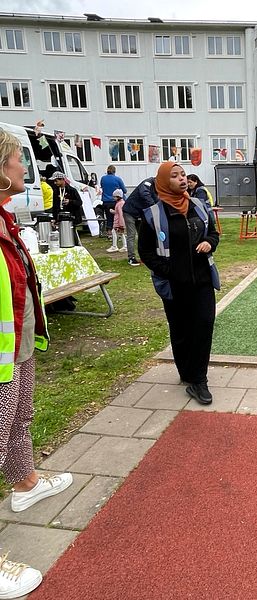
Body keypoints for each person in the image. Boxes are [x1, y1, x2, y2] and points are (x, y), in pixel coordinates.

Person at [0, 128, 73, 598]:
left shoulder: (5, 219)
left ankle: (25, 482)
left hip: (16, 344)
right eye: (18, 160)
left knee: (18, 419)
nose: (26, 169)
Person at [138, 162, 220, 405]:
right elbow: (146, 252)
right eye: (175, 176)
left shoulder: (198, 206)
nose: (182, 179)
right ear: (163, 182)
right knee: (181, 330)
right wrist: (170, 271)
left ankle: (199, 379)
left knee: (203, 326)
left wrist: (209, 243)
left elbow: (213, 233)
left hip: (203, 280)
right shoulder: (153, 214)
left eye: (183, 174)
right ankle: (186, 372)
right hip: (175, 286)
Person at [122, 176, 157, 266]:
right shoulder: (147, 183)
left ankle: (144, 257)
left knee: (142, 235)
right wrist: (154, 206)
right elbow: (144, 193)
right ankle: (131, 258)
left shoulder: (158, 187)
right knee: (131, 234)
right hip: (130, 211)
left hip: (140, 213)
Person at [100, 165, 127, 236]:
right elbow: (124, 190)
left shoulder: (103, 178)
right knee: (118, 217)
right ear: (114, 171)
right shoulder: (118, 179)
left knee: (109, 217)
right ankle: (118, 232)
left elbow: (102, 187)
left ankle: (109, 232)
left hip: (106, 201)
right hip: (116, 202)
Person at [106, 189, 126, 253]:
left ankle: (115, 246)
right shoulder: (120, 203)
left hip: (118, 222)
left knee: (114, 232)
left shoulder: (120, 204)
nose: (113, 198)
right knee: (121, 233)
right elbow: (118, 213)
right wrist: (113, 212)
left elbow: (121, 214)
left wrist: (121, 223)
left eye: (114, 196)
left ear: (118, 196)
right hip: (119, 221)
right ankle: (124, 246)